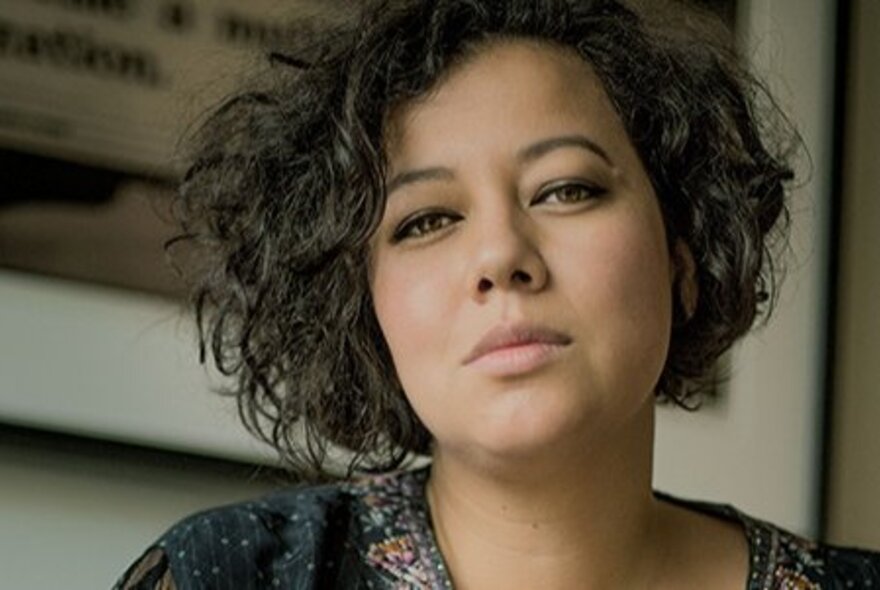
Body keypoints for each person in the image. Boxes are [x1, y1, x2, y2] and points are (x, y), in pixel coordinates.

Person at [116, 0, 880, 588]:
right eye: (426, 221)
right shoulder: (230, 576)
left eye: (566, 189)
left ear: (683, 255)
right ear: (362, 308)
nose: (501, 256)